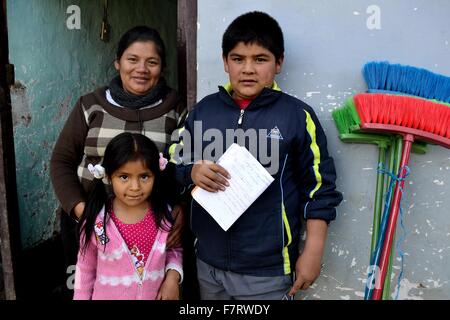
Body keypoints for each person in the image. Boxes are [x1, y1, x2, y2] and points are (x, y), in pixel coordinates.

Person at [170, 11, 343, 299]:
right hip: (207, 263)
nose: (248, 69)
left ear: (279, 63)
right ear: (225, 62)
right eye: (238, 59)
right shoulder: (203, 112)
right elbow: (173, 165)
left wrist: (313, 251)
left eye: (260, 59)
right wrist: (191, 172)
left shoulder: (297, 117)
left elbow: (320, 190)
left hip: (268, 270)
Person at [50, 26, 187, 299]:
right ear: (117, 63)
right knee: (85, 286)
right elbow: (61, 162)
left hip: (151, 223)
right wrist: (83, 214)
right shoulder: (91, 105)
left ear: (162, 67)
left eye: (152, 62)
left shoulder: (176, 108)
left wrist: (183, 206)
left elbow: (186, 165)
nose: (141, 69)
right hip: (88, 222)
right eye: (132, 59)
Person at [73, 132, 182, 300]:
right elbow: (84, 269)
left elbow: (174, 249)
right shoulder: (97, 221)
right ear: (109, 176)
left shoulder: (164, 214)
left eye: (144, 176)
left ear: (156, 175)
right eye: (124, 177)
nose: (135, 187)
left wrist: (173, 277)